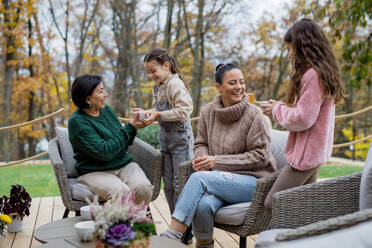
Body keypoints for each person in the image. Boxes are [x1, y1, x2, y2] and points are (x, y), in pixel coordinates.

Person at [160, 63, 276, 248]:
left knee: (198, 179)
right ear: (218, 87)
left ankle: (171, 237)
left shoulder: (254, 115)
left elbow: (260, 156)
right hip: (220, 179)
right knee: (203, 205)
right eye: (232, 83)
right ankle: (205, 244)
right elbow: (201, 143)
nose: (239, 87)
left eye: (241, 82)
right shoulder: (208, 112)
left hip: (254, 181)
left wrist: (216, 161)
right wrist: (203, 159)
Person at [261, 18, 346, 211]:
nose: (290, 55)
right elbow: (309, 111)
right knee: (305, 207)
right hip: (315, 154)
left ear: (303, 47)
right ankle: (302, 238)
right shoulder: (322, 72)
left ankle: (285, 240)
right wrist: (281, 106)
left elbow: (303, 118)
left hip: (305, 157)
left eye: (291, 49)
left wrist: (276, 110)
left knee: (272, 203)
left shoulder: (312, 75)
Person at [68, 74, 154, 205]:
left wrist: (134, 127)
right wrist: (130, 128)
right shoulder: (77, 122)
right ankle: (111, 224)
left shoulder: (106, 110)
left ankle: (136, 222)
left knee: (143, 188)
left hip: (122, 164)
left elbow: (124, 141)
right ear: (88, 99)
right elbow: (104, 153)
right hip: (94, 171)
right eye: (101, 91)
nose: (106, 94)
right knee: (121, 192)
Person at [134, 48, 194, 214]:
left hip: (180, 140)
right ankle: (176, 223)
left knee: (180, 184)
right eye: (148, 72)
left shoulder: (175, 84)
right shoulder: (158, 85)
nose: (151, 75)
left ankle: (185, 226)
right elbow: (159, 109)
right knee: (167, 184)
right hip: (166, 141)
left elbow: (184, 111)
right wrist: (147, 113)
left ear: (166, 66)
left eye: (153, 71)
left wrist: (158, 114)